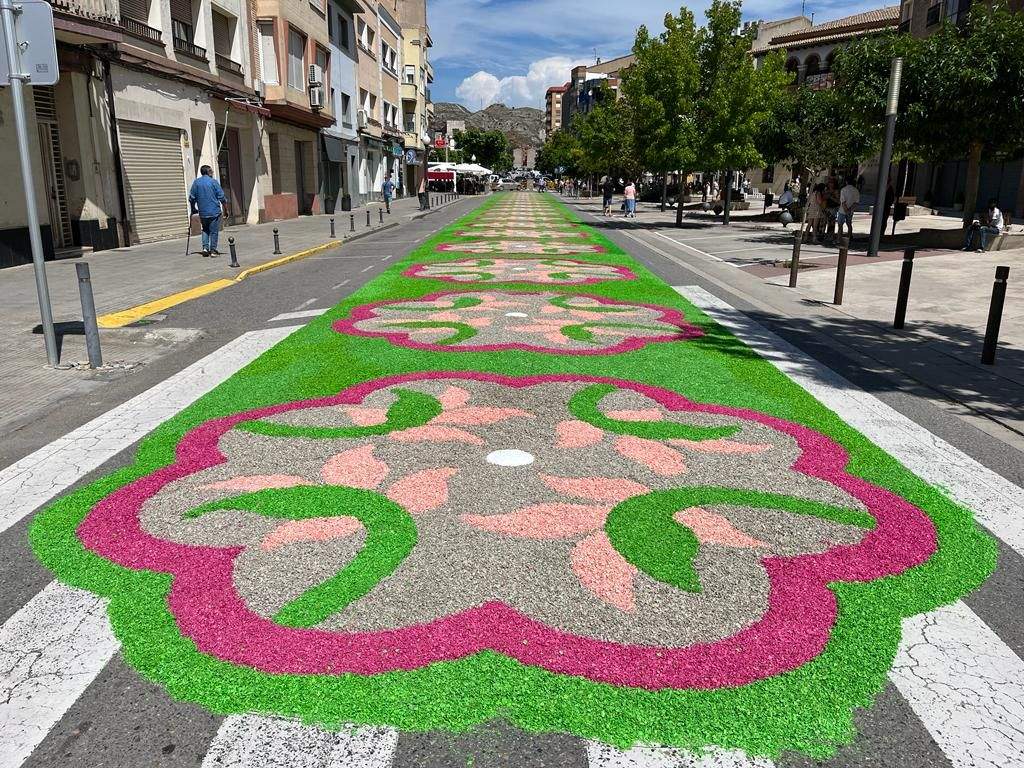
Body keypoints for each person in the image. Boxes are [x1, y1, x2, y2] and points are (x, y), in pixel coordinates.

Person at [188, 165, 226, 257]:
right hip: (214, 211)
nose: (212, 172)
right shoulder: (213, 182)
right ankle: (213, 250)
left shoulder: (196, 183)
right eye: (211, 171)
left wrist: (193, 209)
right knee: (213, 231)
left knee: (205, 229)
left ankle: (205, 248)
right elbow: (221, 197)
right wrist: (226, 209)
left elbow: (192, 198)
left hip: (203, 212)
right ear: (208, 172)